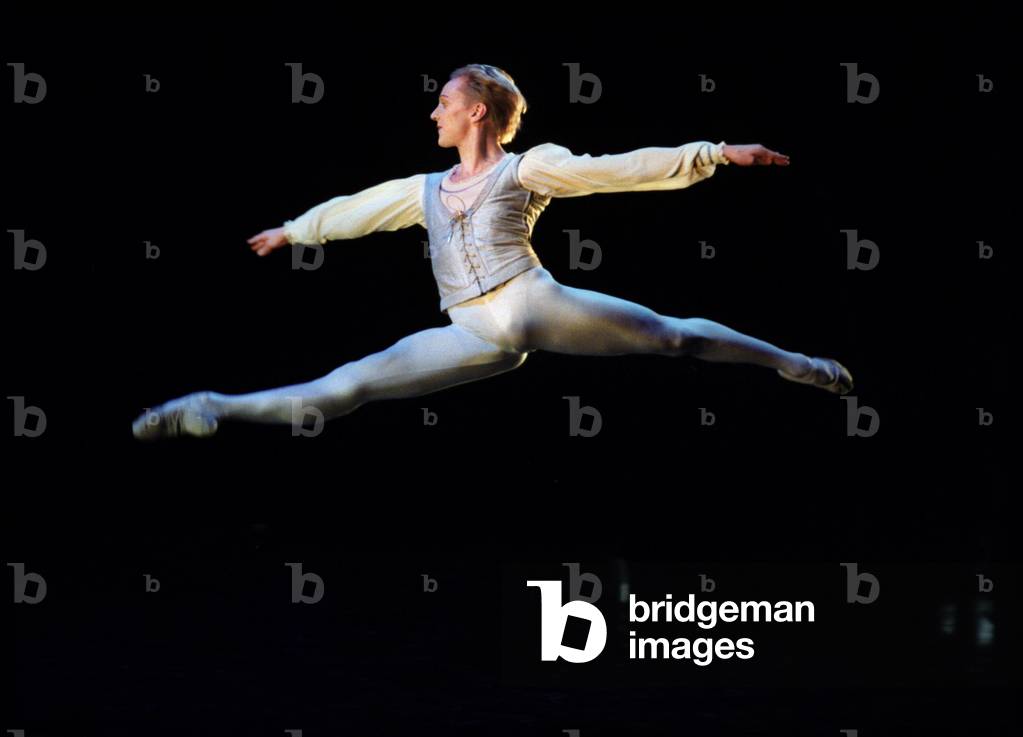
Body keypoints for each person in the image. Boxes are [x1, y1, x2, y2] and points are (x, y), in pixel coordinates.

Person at [132, 63, 853, 440]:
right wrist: (298, 229)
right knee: (346, 386)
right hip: (472, 330)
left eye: (444, 103)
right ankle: (213, 406)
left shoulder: (526, 167)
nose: (434, 112)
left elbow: (615, 168)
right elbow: (359, 209)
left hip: (528, 301)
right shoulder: (423, 187)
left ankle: (795, 364)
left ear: (476, 111)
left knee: (670, 338)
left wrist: (714, 153)